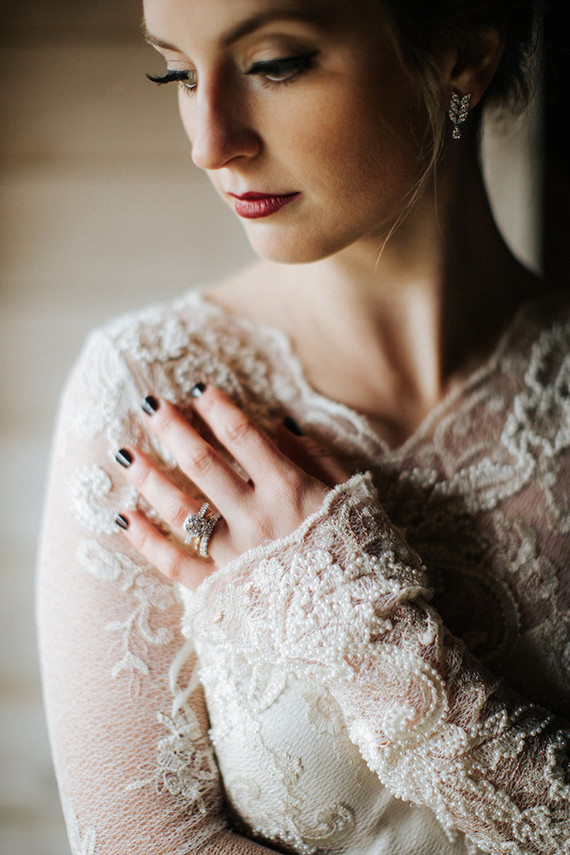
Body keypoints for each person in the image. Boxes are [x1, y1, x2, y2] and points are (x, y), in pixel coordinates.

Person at [37, 0, 570, 852]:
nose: (209, 144)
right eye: (175, 73)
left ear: (462, 55)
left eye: (276, 64)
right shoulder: (147, 386)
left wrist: (368, 636)